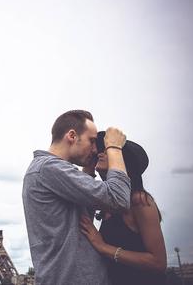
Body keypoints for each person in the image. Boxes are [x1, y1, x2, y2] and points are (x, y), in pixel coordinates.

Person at [22, 110, 131, 285]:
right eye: (92, 141)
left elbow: (80, 218)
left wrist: (88, 170)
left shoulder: (46, 170)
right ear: (72, 136)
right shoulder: (50, 168)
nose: (95, 149)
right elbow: (119, 198)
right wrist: (114, 147)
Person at [80, 131, 167, 285]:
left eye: (108, 151)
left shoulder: (139, 202)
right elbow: (81, 203)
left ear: (122, 161)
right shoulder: (108, 204)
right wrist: (88, 165)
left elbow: (158, 262)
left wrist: (103, 247)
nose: (101, 153)